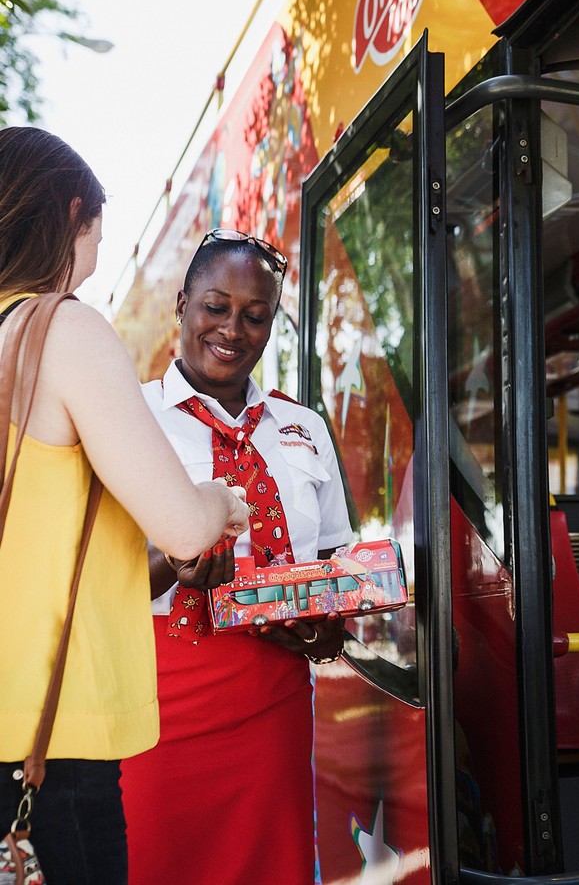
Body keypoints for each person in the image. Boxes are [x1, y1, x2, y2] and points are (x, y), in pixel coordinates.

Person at [0, 127, 250, 885]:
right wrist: (221, 501)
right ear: (73, 214)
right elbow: (181, 524)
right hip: (49, 738)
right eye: (96, 237)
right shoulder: (60, 328)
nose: (95, 260)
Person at [120, 230, 354, 885]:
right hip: (156, 705)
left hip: (274, 706)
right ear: (182, 303)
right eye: (216, 307)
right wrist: (174, 562)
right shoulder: (129, 417)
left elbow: (332, 565)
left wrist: (326, 632)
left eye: (255, 315)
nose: (232, 329)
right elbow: (93, 580)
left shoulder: (305, 428)